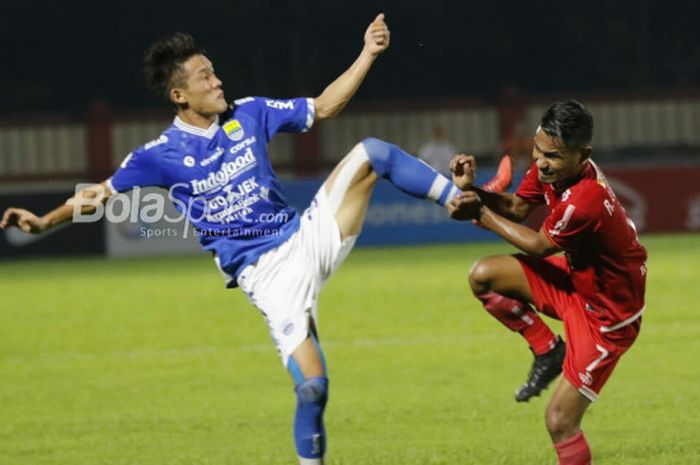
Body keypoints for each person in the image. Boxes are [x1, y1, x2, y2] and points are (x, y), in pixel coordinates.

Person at [1, 15, 510, 465]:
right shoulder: (158, 153)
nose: (217, 80)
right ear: (180, 95)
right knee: (313, 388)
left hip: (306, 235)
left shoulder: (251, 111)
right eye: (205, 76)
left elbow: (325, 107)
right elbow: (101, 195)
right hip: (266, 277)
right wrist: (45, 222)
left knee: (372, 151)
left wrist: (368, 54)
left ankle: (459, 202)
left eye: (214, 71)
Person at [448, 100, 647, 465]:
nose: (541, 163)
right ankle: (547, 350)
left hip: (607, 318)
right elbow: (518, 209)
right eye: (537, 151)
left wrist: (478, 212)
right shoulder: (552, 168)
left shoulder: (585, 200)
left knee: (559, 421)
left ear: (583, 154)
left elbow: (538, 245)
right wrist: (478, 191)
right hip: (575, 283)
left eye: (552, 156)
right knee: (483, 277)